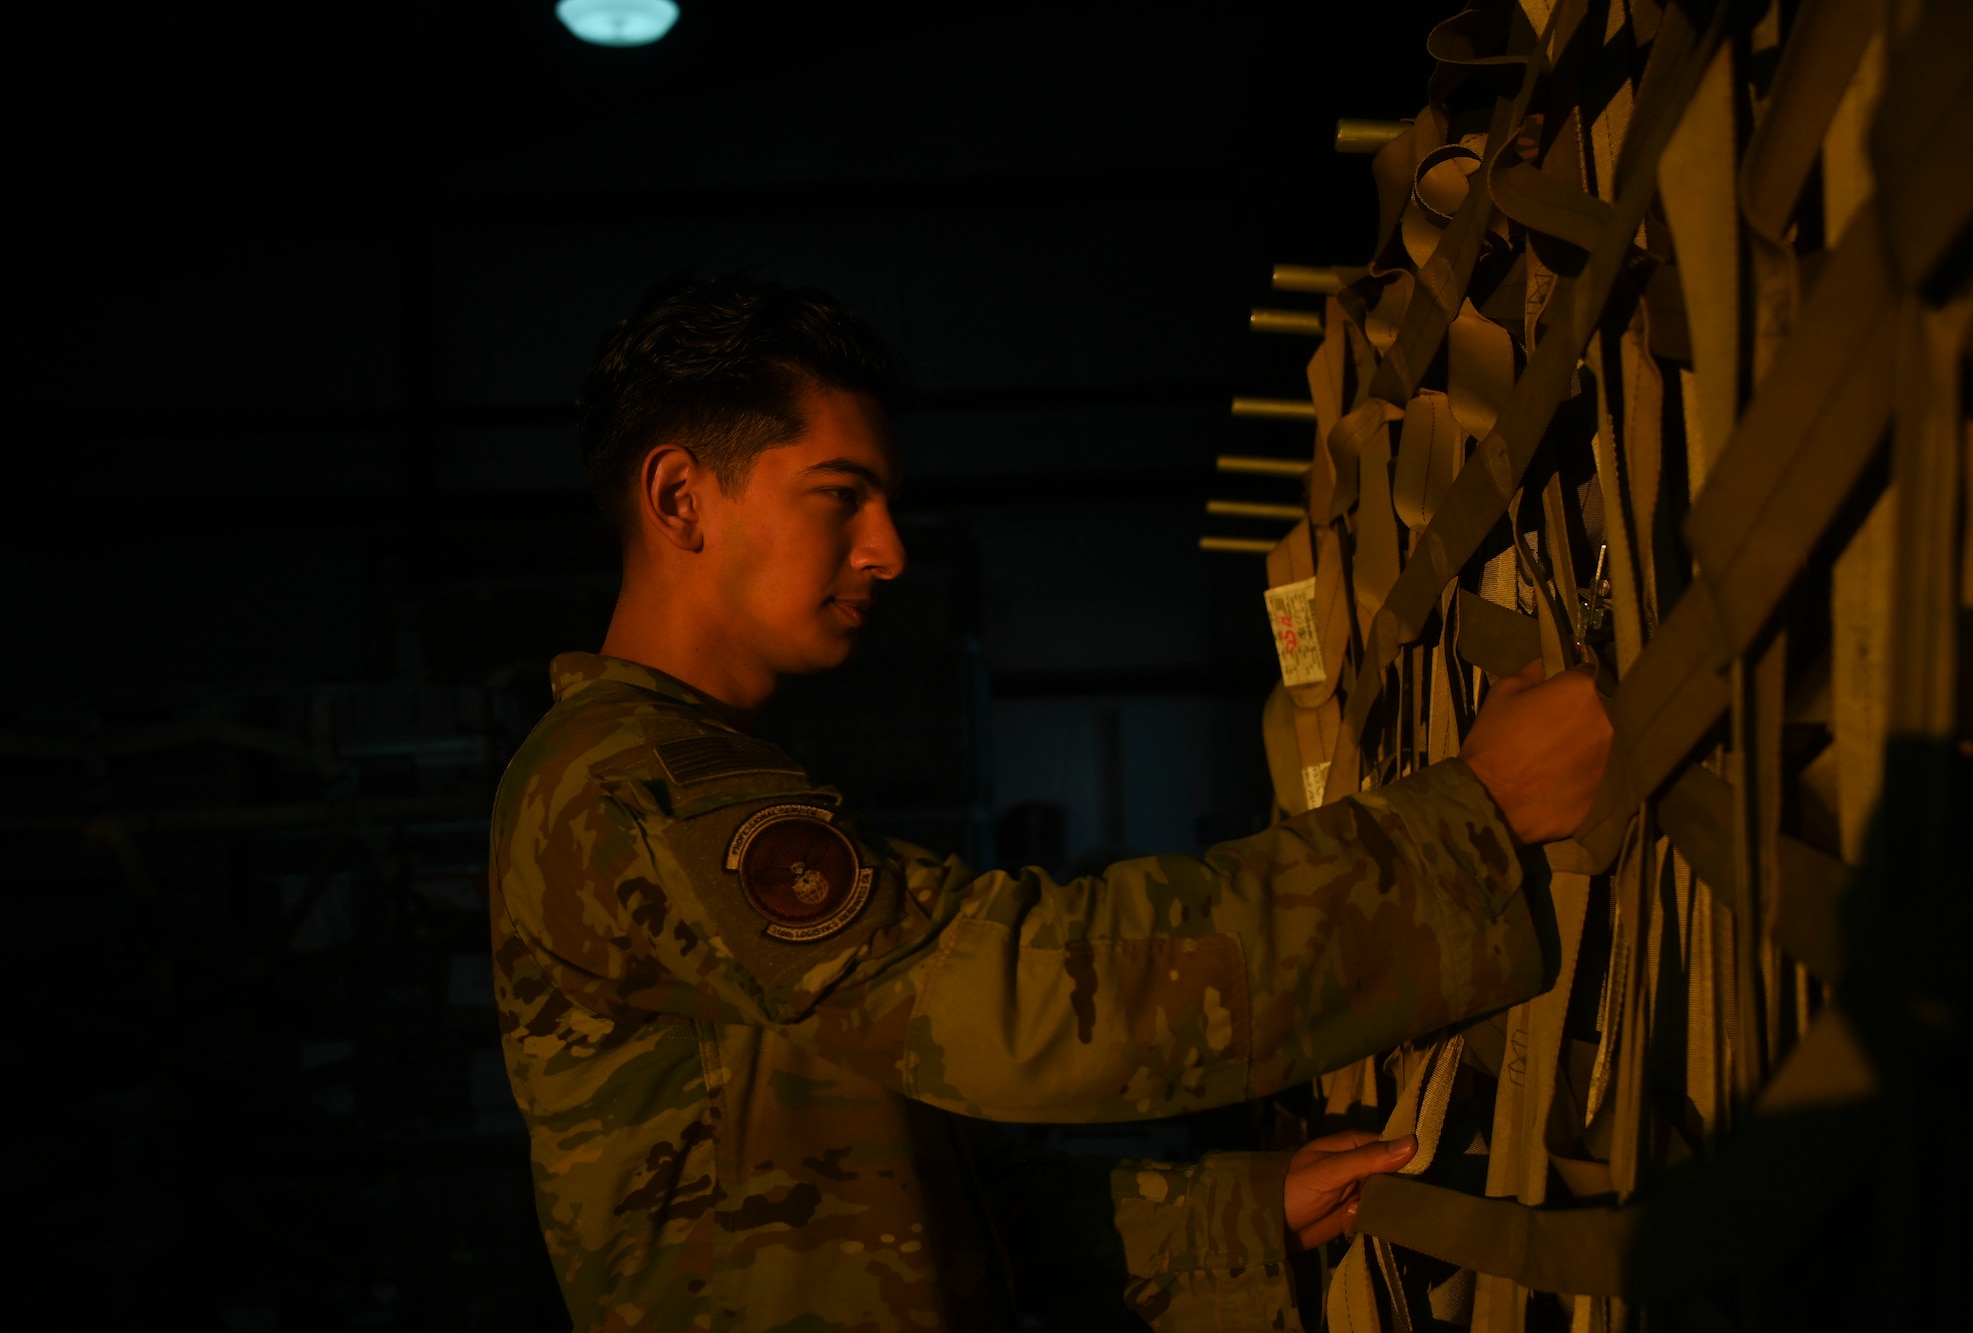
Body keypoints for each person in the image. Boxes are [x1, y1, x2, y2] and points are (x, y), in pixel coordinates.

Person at [488, 274, 1612, 1332]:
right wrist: (1475, 818)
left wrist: (1235, 1214)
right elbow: (1021, 1005)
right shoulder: (633, 787)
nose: (884, 552)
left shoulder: (690, 776)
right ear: (681, 497)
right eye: (841, 497)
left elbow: (905, 1194)